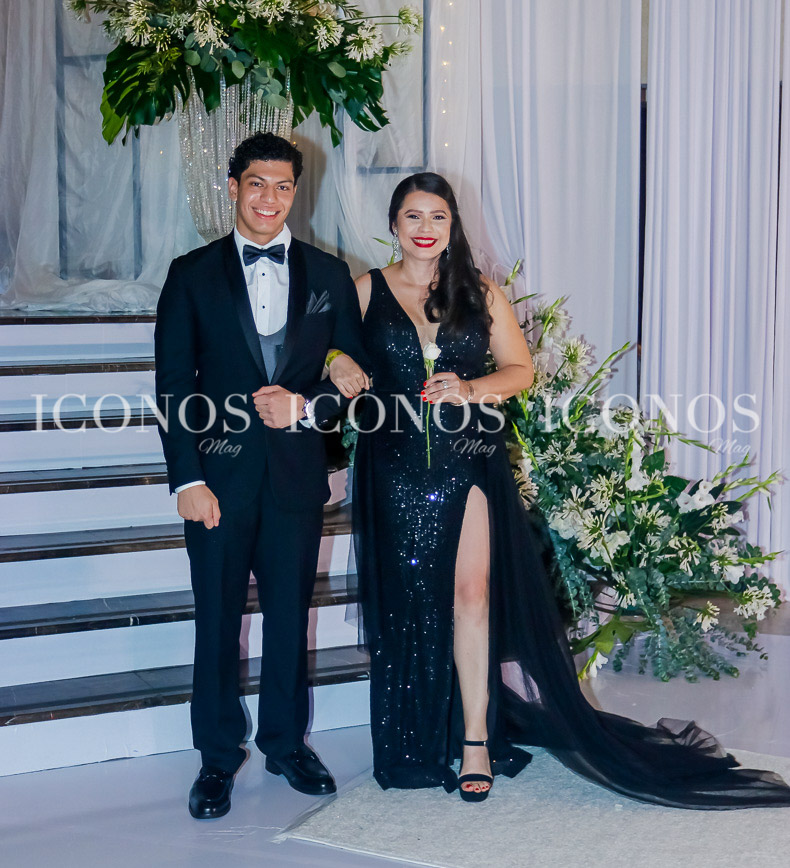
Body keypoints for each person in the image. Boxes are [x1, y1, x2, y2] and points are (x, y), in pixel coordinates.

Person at [328, 171, 790, 807]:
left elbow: (519, 370)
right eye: (413, 216)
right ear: (393, 224)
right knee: (409, 600)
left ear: (452, 225)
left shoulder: (478, 292)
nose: (425, 229)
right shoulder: (364, 290)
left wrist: (471, 389)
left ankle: (475, 739)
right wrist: (338, 361)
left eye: (438, 217)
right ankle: (414, 737)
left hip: (469, 461)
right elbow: (327, 350)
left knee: (471, 595)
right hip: (395, 465)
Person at [155, 132, 368, 819]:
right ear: (233, 187)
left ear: (295, 192)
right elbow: (173, 385)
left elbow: (355, 377)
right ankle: (217, 758)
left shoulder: (329, 274)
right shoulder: (190, 274)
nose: (270, 198)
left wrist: (307, 407)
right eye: (256, 184)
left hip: (295, 477)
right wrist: (186, 481)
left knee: (288, 620)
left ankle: (285, 744)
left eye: (282, 186)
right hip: (217, 481)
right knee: (216, 621)